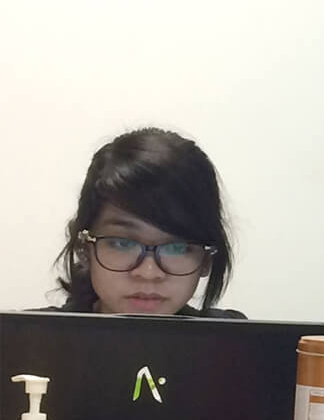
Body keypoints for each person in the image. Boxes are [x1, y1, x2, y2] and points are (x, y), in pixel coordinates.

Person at [48, 128, 243, 317]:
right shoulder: (29, 340)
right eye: (122, 243)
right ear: (84, 249)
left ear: (206, 259)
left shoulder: (238, 344)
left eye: (177, 247)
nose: (148, 273)